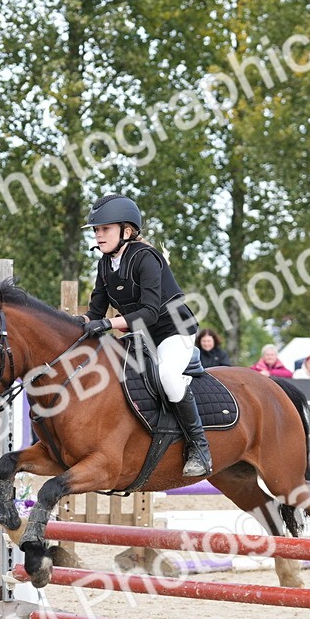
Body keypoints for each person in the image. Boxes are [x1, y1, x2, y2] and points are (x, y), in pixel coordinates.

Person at [77, 193, 212, 476]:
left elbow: (150, 312)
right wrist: (75, 322)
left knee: (168, 377)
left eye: (105, 229)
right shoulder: (105, 264)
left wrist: (108, 325)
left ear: (127, 231)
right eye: (97, 230)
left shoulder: (146, 258)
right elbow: (96, 310)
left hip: (173, 331)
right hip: (141, 336)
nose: (99, 236)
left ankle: (199, 446)